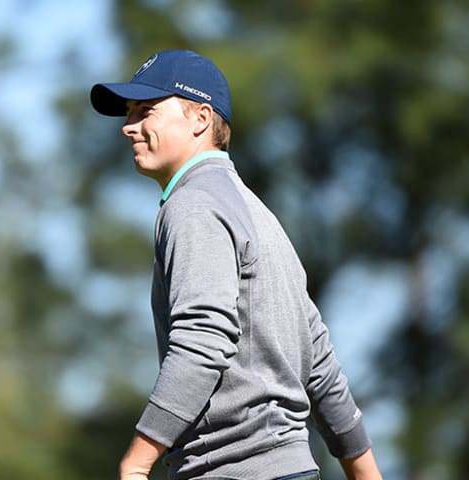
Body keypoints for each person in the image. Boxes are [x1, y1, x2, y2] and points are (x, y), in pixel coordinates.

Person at [90, 49, 383, 480]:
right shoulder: (260, 216)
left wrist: (138, 461)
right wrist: (367, 474)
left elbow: (203, 339)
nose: (129, 127)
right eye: (129, 114)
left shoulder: (192, 205)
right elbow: (318, 362)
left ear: (200, 119)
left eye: (146, 111)